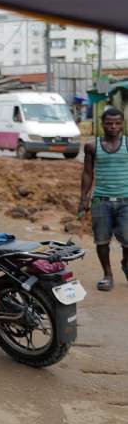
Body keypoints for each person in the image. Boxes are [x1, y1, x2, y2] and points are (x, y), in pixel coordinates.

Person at [79, 107, 128, 292]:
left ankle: (125, 262)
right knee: (102, 241)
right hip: (101, 201)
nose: (113, 127)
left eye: (117, 123)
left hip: (126, 200)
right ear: (102, 125)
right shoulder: (92, 146)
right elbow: (87, 173)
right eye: (109, 123)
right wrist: (83, 200)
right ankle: (107, 275)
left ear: (122, 124)